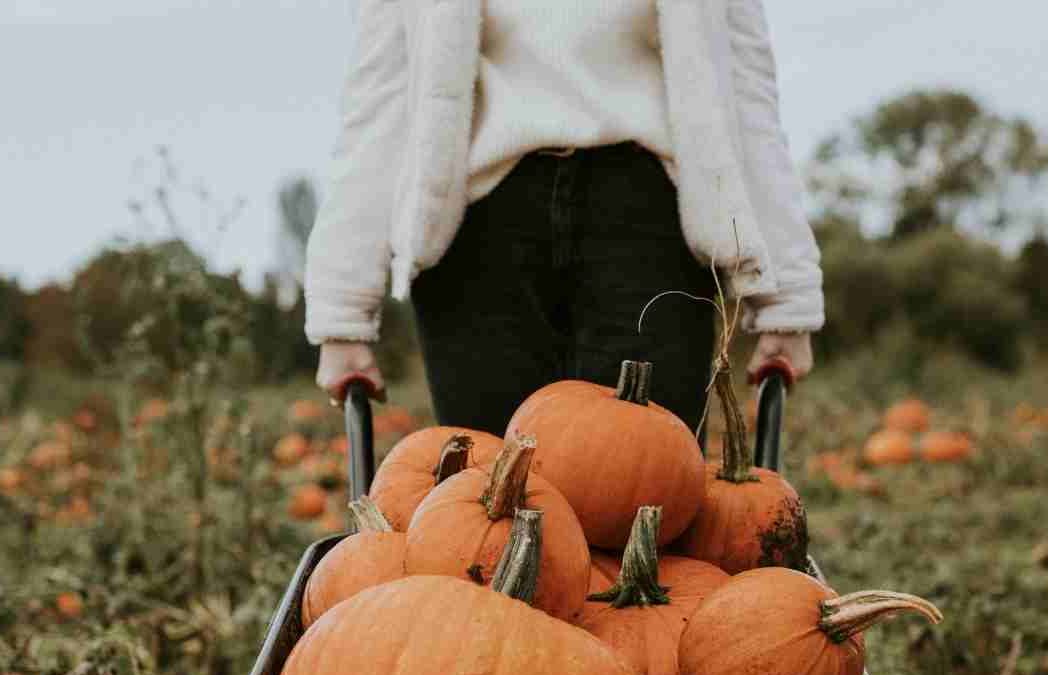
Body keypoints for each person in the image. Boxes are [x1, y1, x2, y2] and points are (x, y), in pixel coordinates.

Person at [305, 0, 822, 675]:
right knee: (495, 563)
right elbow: (380, 89)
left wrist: (784, 287)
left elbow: (743, 80)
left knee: (643, 561)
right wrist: (343, 303)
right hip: (474, 227)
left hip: (652, 214)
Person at [310, 0, 823, 431]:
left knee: (648, 498)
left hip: (649, 220)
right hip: (477, 231)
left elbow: (748, 97)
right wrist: (342, 314)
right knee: (489, 502)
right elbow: (378, 104)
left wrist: (787, 301)